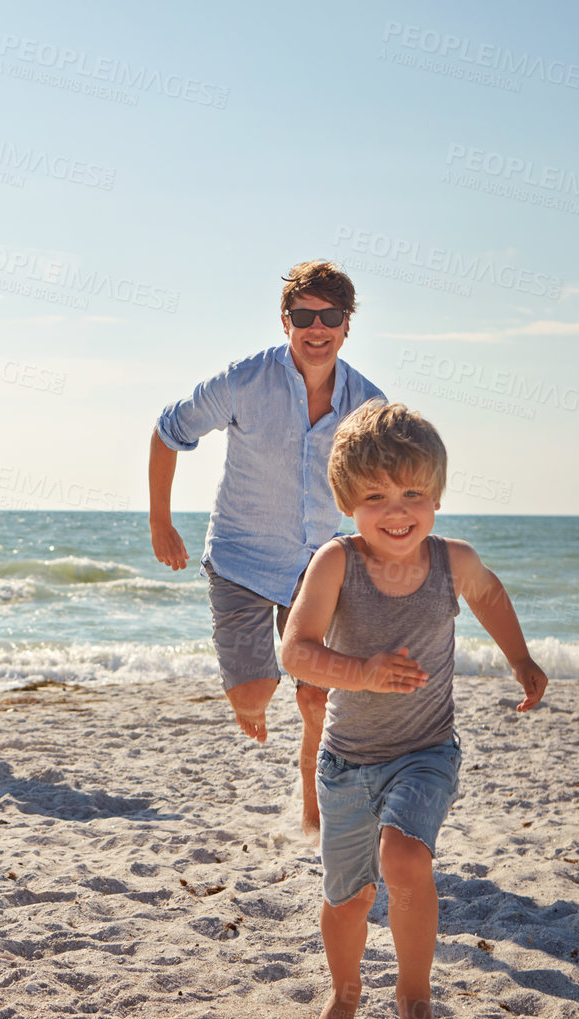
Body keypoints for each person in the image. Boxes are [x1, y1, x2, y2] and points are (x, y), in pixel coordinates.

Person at [281, 400, 547, 1019]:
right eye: (375, 497)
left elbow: (488, 595)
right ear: (347, 503)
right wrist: (361, 673)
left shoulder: (451, 559)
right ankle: (345, 992)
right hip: (346, 763)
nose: (396, 511)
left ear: (436, 497)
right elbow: (296, 651)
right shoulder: (335, 564)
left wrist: (520, 659)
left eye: (413, 494)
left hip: (425, 753)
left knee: (405, 862)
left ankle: (414, 993)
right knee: (348, 899)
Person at [149, 260, 385, 834]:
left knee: (318, 701)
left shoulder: (370, 405)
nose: (317, 327)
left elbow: (388, 487)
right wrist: (161, 523)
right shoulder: (243, 381)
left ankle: (314, 810)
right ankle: (251, 698)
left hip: (320, 563)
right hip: (240, 559)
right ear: (286, 321)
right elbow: (167, 432)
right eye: (304, 315)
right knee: (255, 696)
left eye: (331, 315)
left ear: (347, 325)